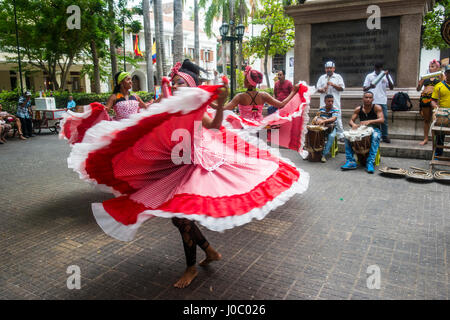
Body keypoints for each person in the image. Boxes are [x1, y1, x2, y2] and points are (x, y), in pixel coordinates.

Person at [66, 59, 309, 290]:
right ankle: (208, 250)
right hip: (177, 165)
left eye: (179, 82)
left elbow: (214, 126)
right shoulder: (172, 108)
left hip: (197, 165)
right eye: (174, 82)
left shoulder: (194, 110)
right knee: (177, 217)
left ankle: (191, 267)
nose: (175, 85)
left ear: (190, 87)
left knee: (181, 218)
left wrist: (220, 103)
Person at [224, 66, 299, 119]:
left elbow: (224, 109)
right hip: (260, 127)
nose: (244, 81)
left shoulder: (240, 97)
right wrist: (294, 91)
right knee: (268, 139)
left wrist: (212, 103)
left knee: (245, 142)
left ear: (249, 82)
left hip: (246, 129)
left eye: (245, 79)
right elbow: (281, 104)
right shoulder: (264, 95)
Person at [341, 91, 384, 173]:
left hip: (375, 129)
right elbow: (351, 121)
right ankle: (351, 161)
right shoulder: (358, 109)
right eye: (366, 97)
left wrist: (370, 121)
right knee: (347, 136)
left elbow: (382, 120)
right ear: (363, 99)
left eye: (370, 97)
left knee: (375, 136)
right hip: (362, 130)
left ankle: (370, 162)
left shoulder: (377, 108)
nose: (368, 99)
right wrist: (353, 125)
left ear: (373, 99)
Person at [363, 62, 394, 143]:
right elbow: (364, 89)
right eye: (376, 69)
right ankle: (372, 135)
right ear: (374, 68)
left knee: (384, 119)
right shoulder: (370, 76)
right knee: (372, 119)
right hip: (372, 101)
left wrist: (386, 76)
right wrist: (370, 86)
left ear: (381, 68)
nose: (378, 70)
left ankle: (385, 136)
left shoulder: (385, 75)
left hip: (382, 100)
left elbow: (391, 87)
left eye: (379, 69)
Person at [417, 60, 444, 146]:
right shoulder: (425, 77)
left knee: (435, 120)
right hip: (425, 98)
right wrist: (419, 83)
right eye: (430, 67)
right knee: (426, 120)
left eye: (433, 66)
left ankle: (434, 139)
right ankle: (425, 138)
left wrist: (441, 77)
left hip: (435, 99)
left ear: (438, 68)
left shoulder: (440, 76)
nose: (430, 68)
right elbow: (418, 89)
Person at [316, 61, 345, 139]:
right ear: (325, 69)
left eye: (330, 68)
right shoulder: (322, 78)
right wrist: (322, 89)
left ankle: (340, 134)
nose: (329, 69)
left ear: (334, 69)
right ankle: (324, 133)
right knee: (323, 117)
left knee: (337, 117)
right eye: (327, 68)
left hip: (335, 102)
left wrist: (333, 85)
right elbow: (318, 89)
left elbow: (342, 88)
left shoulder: (338, 77)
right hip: (324, 102)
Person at [430, 64, 450, 157]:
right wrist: (436, 108)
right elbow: (433, 101)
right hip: (443, 114)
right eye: (449, 73)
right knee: (440, 134)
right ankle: (438, 154)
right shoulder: (439, 86)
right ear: (445, 74)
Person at [312, 94, 339, 163]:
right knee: (312, 133)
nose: (331, 103)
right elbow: (317, 117)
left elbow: (333, 118)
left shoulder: (335, 109)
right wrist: (317, 121)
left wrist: (324, 121)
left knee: (331, 136)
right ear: (325, 101)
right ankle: (312, 152)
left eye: (332, 101)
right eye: (329, 101)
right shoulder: (321, 108)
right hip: (322, 126)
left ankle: (323, 154)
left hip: (331, 127)